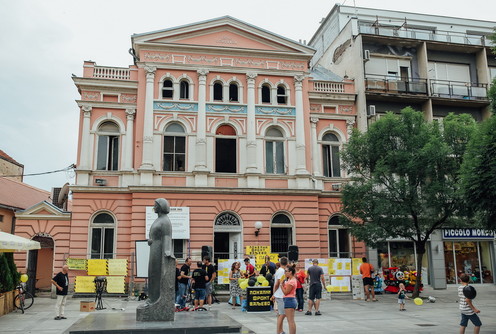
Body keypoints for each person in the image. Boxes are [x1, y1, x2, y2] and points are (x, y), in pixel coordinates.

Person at [273, 256, 289, 334]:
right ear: (287, 263)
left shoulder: (280, 270)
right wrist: (274, 293)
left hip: (279, 294)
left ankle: (281, 330)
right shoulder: (282, 271)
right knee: (282, 314)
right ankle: (278, 331)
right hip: (280, 295)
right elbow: (277, 284)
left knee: (280, 314)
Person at [281, 265, 298, 334]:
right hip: (290, 299)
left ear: (290, 272)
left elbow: (286, 292)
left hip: (289, 300)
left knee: (290, 321)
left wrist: (281, 286)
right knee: (291, 320)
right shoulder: (291, 280)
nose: (285, 273)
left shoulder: (291, 282)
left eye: (286, 271)